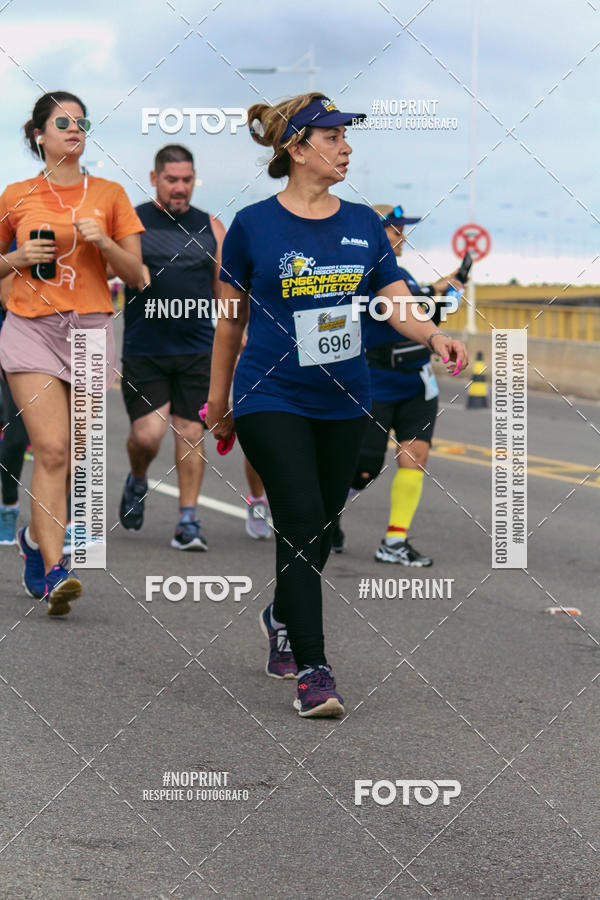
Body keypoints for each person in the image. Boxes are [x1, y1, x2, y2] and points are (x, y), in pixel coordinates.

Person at [206, 92, 468, 718]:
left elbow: (396, 298)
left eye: (347, 136)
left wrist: (432, 332)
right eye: (332, 137)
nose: (346, 146)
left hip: (346, 397)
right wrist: (219, 401)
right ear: (297, 149)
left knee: (321, 524)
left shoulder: (361, 225)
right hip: (270, 394)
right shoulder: (252, 226)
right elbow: (229, 322)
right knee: (298, 519)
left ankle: (281, 614)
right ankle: (314, 669)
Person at [0, 90, 143, 614]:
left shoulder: (108, 193)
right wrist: (16, 256)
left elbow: (138, 275)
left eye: (82, 121)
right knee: (53, 450)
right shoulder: (15, 194)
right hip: (31, 330)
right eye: (63, 122)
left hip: (88, 330)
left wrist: (104, 245)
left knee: (78, 456)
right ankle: (59, 569)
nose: (75, 128)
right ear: (39, 133)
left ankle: (35, 543)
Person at [333, 203, 466, 566]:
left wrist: (449, 284)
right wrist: (441, 295)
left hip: (417, 383)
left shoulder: (400, 274)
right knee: (363, 468)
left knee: (414, 457)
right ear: (375, 233)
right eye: (395, 229)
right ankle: (327, 517)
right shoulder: (359, 275)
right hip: (375, 381)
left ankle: (394, 541)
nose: (402, 236)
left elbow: (421, 295)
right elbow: (414, 304)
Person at [118, 144, 226, 550]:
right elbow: (114, 267)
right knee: (147, 437)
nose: (180, 188)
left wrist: (239, 332)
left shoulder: (212, 226)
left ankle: (188, 521)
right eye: (172, 180)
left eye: (187, 180)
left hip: (197, 350)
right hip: (145, 349)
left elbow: (223, 290)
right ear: (154, 179)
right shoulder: (133, 222)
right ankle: (139, 477)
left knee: (190, 432)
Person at [0, 270, 29, 544]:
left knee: (67, 439)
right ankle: (8, 505)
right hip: (14, 340)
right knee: (16, 437)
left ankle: (67, 522)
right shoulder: (13, 230)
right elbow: (7, 297)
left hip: (66, 338)